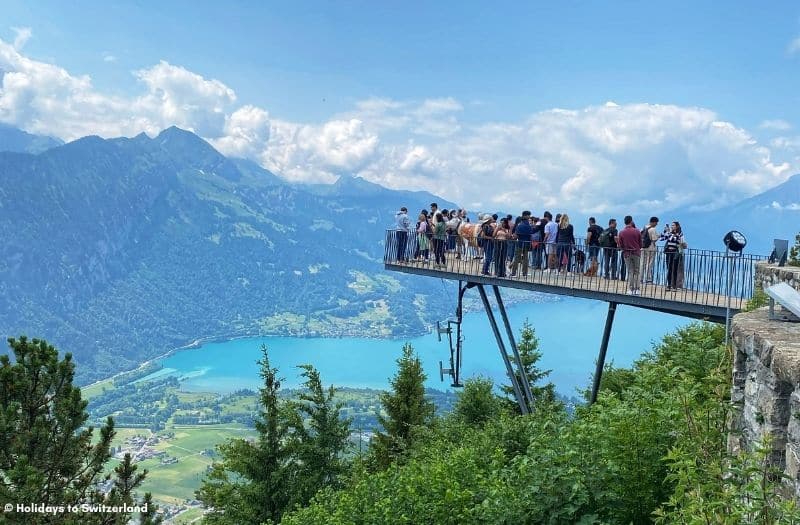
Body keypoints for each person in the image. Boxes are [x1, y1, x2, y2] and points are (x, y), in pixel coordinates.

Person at [617, 215, 642, 295]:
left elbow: (620, 245)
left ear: (624, 222)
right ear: (631, 221)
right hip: (636, 253)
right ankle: (637, 289)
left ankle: (630, 289)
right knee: (637, 271)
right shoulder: (637, 231)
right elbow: (640, 244)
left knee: (630, 271)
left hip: (627, 253)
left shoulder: (621, 232)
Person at [660, 221, 686, 291]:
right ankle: (669, 285)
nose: (672, 226)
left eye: (673, 225)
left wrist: (672, 235)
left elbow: (678, 241)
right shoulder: (670, 233)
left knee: (674, 269)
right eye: (671, 225)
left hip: (675, 253)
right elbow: (662, 238)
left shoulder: (680, 234)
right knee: (669, 269)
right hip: (669, 252)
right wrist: (665, 231)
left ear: (677, 226)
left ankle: (674, 285)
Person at [511, 213, 532, 277]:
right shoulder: (529, 226)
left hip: (520, 243)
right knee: (525, 259)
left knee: (517, 258)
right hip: (527, 243)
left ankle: (513, 273)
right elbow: (530, 235)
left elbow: (516, 236)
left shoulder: (519, 226)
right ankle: (524, 273)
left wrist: (513, 236)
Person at [640, 216, 660, 284]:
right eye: (656, 223)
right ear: (653, 222)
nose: (657, 224)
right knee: (649, 264)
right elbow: (654, 240)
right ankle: (648, 279)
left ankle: (640, 278)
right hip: (650, 248)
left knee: (642, 263)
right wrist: (658, 236)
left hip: (643, 247)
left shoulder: (644, 227)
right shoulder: (653, 229)